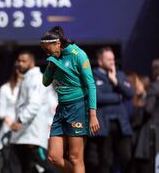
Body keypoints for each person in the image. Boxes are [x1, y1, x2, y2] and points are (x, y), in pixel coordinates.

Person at [40, 26, 100, 173]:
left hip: (78, 107)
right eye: (44, 49)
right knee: (54, 157)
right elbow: (45, 82)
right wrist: (51, 66)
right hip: (62, 109)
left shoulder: (78, 54)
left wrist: (93, 115)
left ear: (58, 43)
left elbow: (91, 85)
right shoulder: (54, 57)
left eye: (48, 49)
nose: (47, 52)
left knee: (75, 157)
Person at [9, 51, 59, 173]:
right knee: (25, 166)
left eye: (23, 61)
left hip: (32, 134)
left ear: (32, 62)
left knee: (45, 164)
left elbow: (34, 104)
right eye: (19, 61)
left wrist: (20, 120)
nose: (20, 64)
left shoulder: (36, 79)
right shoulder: (27, 79)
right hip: (24, 134)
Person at [90, 47, 134, 173]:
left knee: (126, 158)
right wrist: (118, 97)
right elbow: (96, 97)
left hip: (122, 125)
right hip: (104, 126)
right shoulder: (93, 75)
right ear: (100, 61)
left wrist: (116, 81)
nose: (112, 62)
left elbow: (130, 93)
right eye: (108, 59)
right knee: (105, 161)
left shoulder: (119, 75)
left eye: (113, 59)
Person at [0, 66, 22, 173]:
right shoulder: (5, 88)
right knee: (5, 158)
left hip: (26, 129)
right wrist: (12, 124)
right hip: (8, 129)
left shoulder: (30, 87)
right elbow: (0, 112)